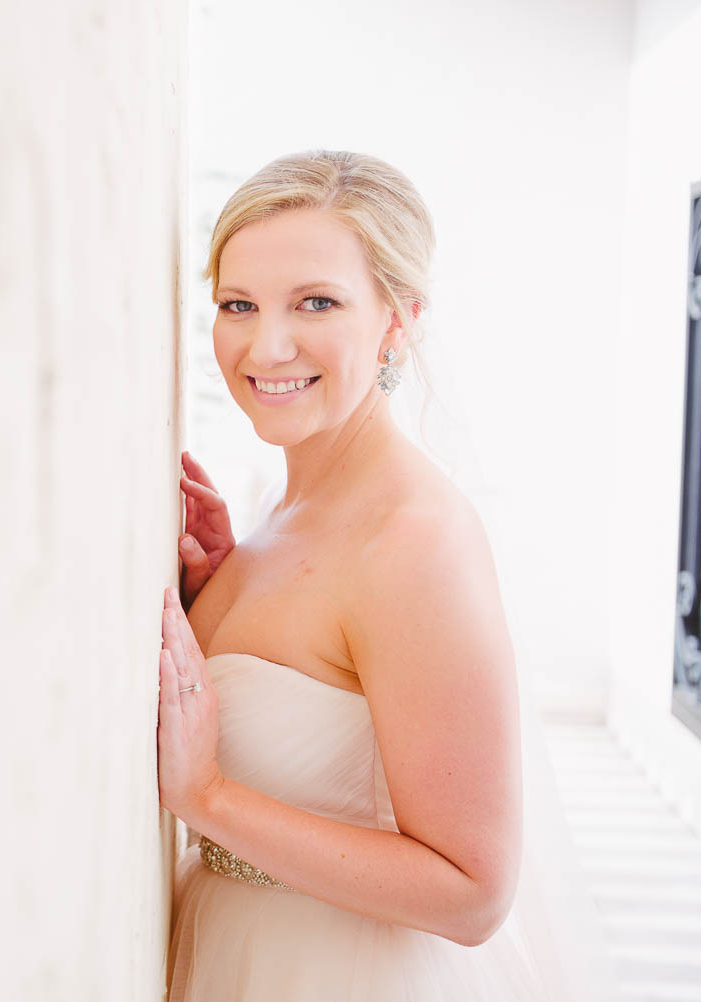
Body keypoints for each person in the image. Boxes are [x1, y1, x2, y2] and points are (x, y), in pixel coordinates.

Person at [156, 150, 618, 1001]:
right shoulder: (275, 506)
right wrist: (221, 590)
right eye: (237, 305)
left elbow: (473, 891)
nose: (267, 344)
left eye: (317, 302)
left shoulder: (416, 542)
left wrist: (209, 799)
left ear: (398, 320)